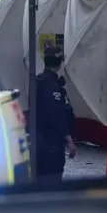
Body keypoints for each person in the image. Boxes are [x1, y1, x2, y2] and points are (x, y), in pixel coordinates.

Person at [34, 45, 77, 180]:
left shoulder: (37, 82)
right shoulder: (53, 86)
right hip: (51, 142)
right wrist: (68, 139)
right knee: (52, 180)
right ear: (59, 64)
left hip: (38, 139)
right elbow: (56, 115)